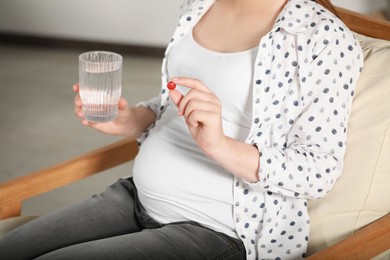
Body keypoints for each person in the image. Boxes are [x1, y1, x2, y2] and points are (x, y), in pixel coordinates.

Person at [0, 0, 363, 259]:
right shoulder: (199, 6)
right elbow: (173, 104)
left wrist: (220, 145)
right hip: (134, 198)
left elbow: (318, 171)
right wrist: (132, 120)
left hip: (215, 230)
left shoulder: (321, 37)